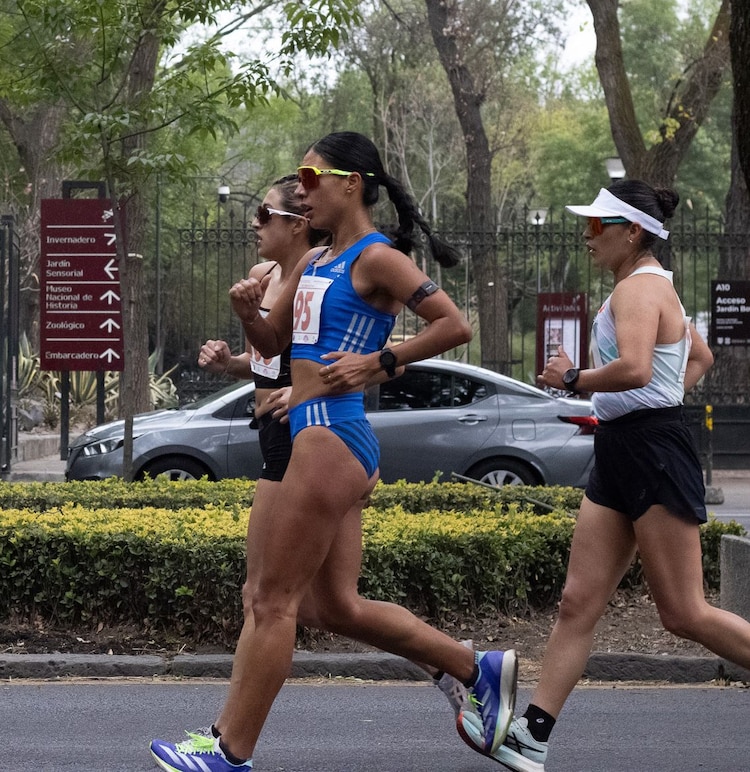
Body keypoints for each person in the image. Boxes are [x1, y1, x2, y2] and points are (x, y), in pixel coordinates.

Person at [150, 131, 518, 772]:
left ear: (351, 184)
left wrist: (383, 359)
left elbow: (454, 325)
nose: (304, 188)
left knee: (270, 601)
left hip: (331, 439)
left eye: (312, 177)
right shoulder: (316, 261)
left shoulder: (376, 257)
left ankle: (228, 749)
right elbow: (276, 346)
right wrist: (245, 314)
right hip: (316, 436)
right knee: (332, 607)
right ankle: (475, 669)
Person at [459, 180, 750, 772]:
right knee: (576, 602)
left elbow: (638, 368)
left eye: (596, 226)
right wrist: (650, 408)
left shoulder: (640, 289)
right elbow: (698, 360)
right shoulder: (642, 286)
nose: (586, 235)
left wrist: (573, 379)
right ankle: (531, 736)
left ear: (632, 230)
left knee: (684, 613)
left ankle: (530, 734)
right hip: (625, 447)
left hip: (650, 452)